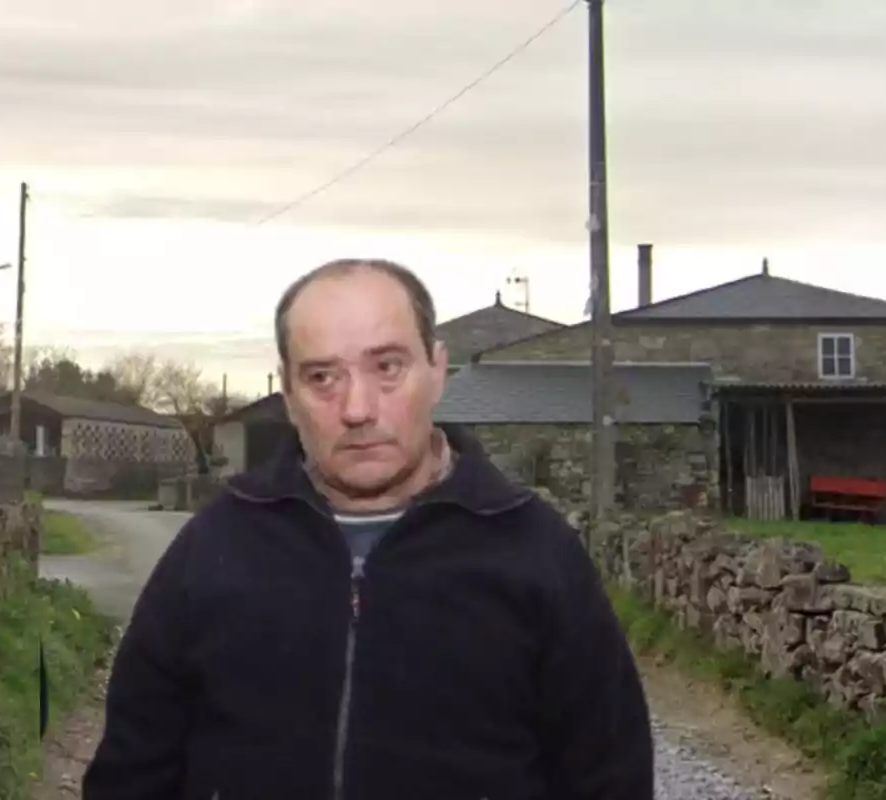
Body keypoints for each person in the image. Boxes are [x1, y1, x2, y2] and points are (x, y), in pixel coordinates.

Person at [82, 258, 654, 799]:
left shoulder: (534, 552)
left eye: (387, 368)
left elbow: (608, 777)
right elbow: (132, 774)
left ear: (437, 369)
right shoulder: (214, 547)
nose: (357, 408)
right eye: (323, 376)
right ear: (288, 394)